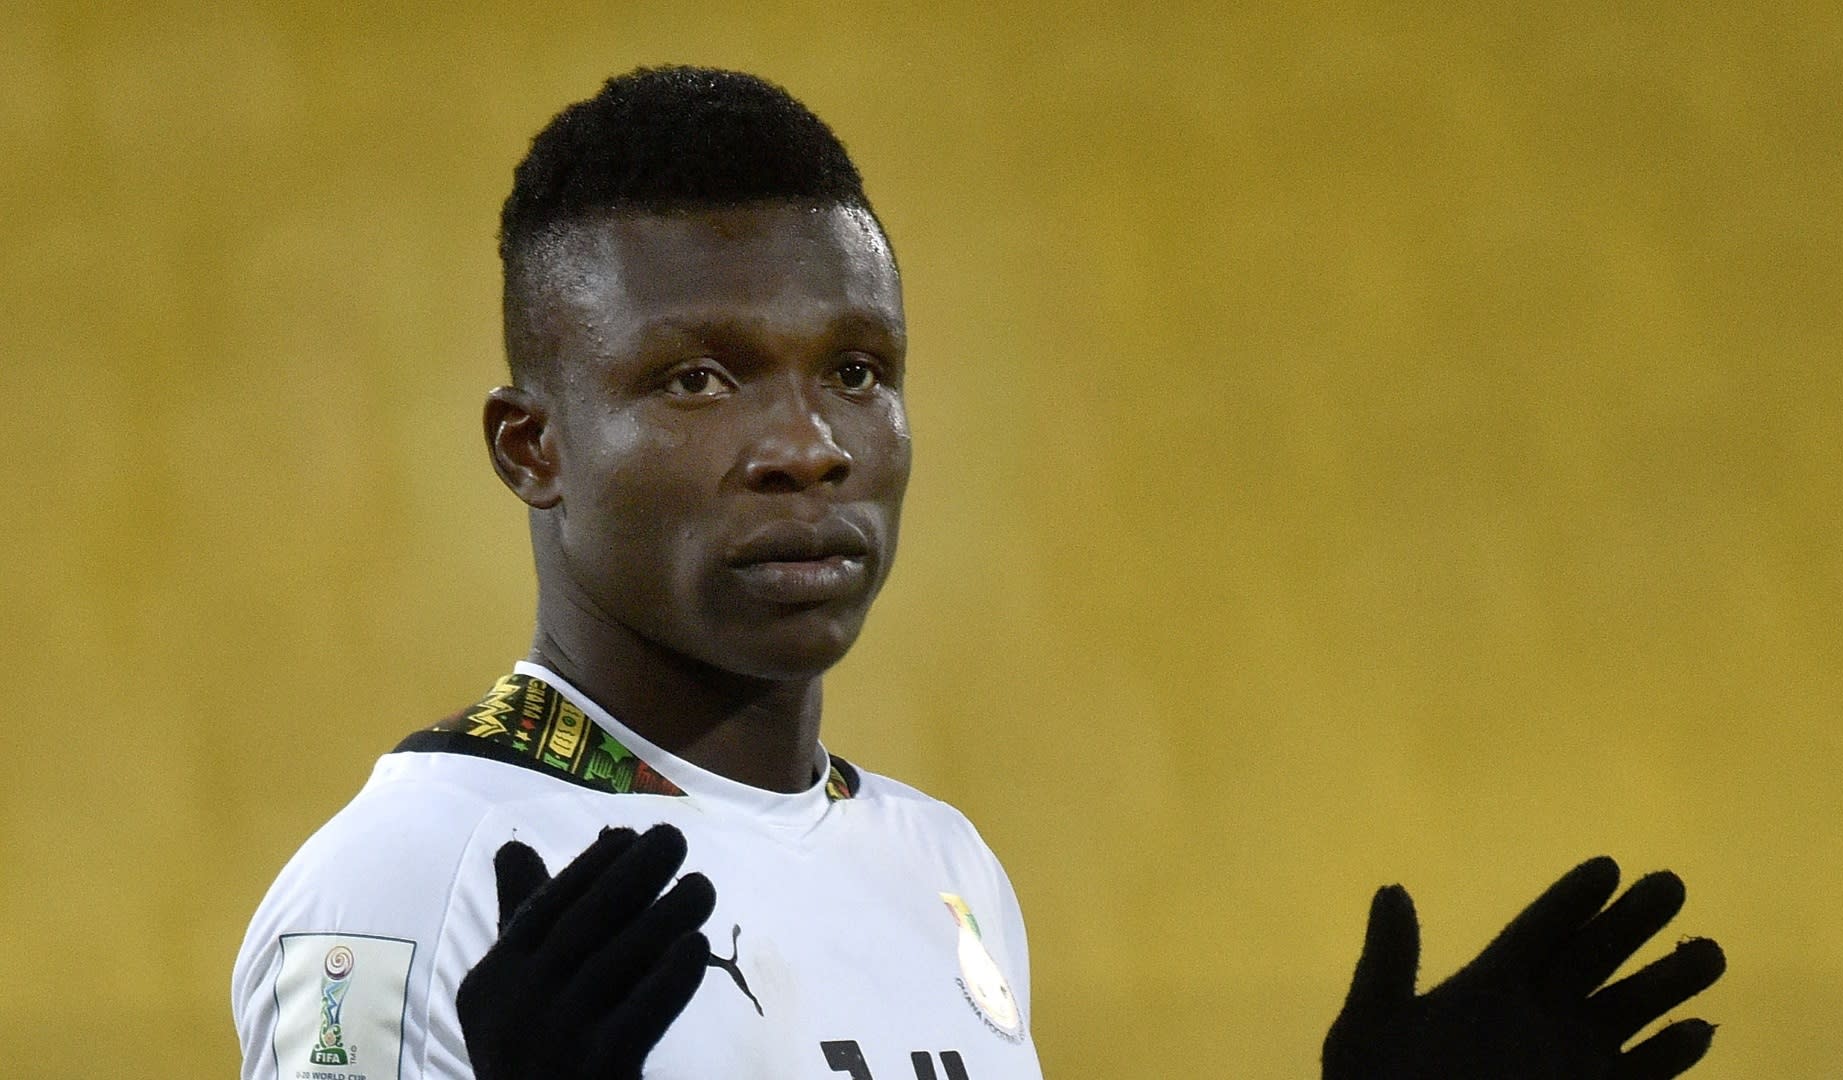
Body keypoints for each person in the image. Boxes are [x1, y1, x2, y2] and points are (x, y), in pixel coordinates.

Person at [233, 65, 1724, 1080]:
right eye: (699, 381)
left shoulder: (944, 873)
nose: (807, 444)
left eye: (859, 371)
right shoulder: (405, 881)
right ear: (530, 446)